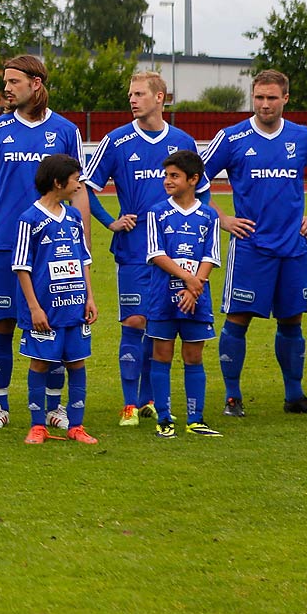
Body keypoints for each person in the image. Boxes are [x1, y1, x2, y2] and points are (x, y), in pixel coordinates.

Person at [199, 69, 307, 417]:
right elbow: (195, 181)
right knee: (237, 320)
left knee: (292, 321)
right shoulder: (231, 137)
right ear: (252, 97)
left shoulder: (302, 137)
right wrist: (223, 219)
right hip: (250, 248)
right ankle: (232, 397)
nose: (265, 104)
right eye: (259, 97)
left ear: (285, 99)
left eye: (272, 98)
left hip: (292, 248)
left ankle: (295, 396)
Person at [81, 72, 203, 426]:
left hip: (174, 251)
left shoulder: (182, 141)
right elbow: (87, 187)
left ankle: (151, 399)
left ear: (160, 97)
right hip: (134, 250)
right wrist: (110, 221)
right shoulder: (116, 141)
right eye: (130, 94)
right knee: (134, 321)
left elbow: (203, 191)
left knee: (158, 324)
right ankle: (129, 404)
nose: (132, 100)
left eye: (139, 94)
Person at [0, 54, 81, 430]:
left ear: (36, 83)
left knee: (52, 323)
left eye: (14, 81)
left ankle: (55, 407)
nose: (6, 88)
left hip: (53, 248)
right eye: (6, 81)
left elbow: (77, 189)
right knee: (1, 323)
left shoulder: (66, 131)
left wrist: (83, 243)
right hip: (4, 242)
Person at [12, 155, 97, 445]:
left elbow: (83, 258)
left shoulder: (73, 217)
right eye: (76, 179)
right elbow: (22, 267)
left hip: (74, 306)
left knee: (77, 363)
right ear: (58, 182)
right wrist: (34, 308)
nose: (79, 184)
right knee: (39, 364)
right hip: (45, 309)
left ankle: (77, 426)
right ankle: (38, 426)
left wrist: (90, 298)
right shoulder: (30, 219)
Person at [143, 150, 223, 438]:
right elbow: (156, 253)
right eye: (166, 175)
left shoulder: (209, 215)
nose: (167, 180)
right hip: (163, 297)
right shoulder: (156, 212)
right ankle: (164, 418)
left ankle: (195, 418)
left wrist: (195, 286)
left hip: (196, 298)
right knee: (161, 355)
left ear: (193, 179)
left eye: (174, 176)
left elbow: (211, 255)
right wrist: (189, 279)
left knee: (193, 356)